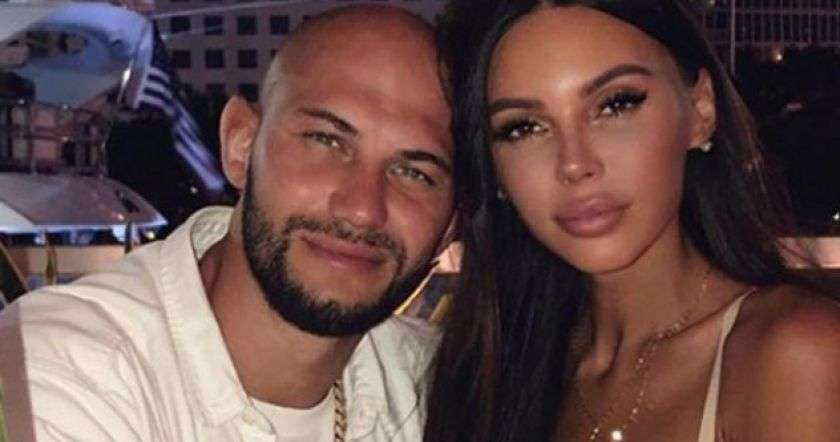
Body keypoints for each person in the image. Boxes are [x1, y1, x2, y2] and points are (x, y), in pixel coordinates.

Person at [0, 5, 454, 441]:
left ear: (450, 226)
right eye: (325, 141)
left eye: (414, 173)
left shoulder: (440, 386)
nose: (362, 209)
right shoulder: (56, 368)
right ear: (241, 145)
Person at [426, 1, 840, 441]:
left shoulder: (794, 354)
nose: (574, 164)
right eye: (524, 128)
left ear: (700, 110)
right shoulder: (488, 373)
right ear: (494, 168)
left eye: (615, 105)